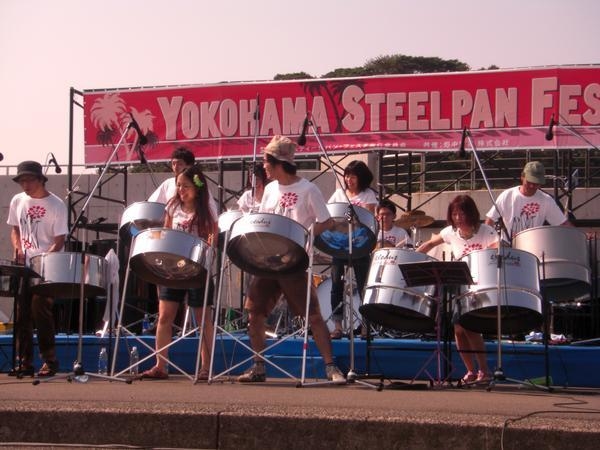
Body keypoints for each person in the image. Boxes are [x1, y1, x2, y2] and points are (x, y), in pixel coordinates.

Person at [237, 135, 345, 384]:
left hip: (294, 261)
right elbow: (265, 220)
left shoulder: (308, 189)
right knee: (254, 313)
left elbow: (327, 221)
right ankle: (258, 366)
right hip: (268, 260)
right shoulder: (270, 189)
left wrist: (306, 234)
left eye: (266, 161)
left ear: (278, 163)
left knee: (312, 315)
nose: (264, 166)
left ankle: (331, 367)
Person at [141, 164, 218, 381]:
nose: (181, 190)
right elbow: (166, 232)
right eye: (178, 186)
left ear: (197, 188)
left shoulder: (206, 209)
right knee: (165, 316)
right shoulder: (173, 206)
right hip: (173, 268)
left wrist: (206, 254)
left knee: (202, 319)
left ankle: (206, 367)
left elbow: (213, 236)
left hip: (197, 268)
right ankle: (160, 365)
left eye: (185, 186)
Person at [417, 194, 497, 383]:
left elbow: (497, 247)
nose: (458, 217)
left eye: (462, 213)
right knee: (459, 330)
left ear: (471, 213)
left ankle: (484, 370)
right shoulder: (450, 232)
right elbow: (430, 243)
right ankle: (471, 370)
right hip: (460, 285)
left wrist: (489, 252)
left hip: (480, 285)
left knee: (471, 328)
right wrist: (412, 256)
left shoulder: (486, 231)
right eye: (454, 214)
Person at [7, 161, 68, 377]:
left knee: (40, 309)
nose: (25, 185)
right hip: (24, 265)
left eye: (29, 180)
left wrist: (44, 259)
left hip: (47, 265)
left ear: (40, 179)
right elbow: (15, 229)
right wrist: (18, 248)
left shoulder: (56, 204)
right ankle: (24, 362)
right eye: (22, 181)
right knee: (22, 313)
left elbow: (59, 240)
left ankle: (49, 360)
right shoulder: (18, 200)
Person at [327, 160, 377, 339]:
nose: (349, 179)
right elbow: (329, 214)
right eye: (347, 176)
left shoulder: (368, 195)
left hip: (360, 244)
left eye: (353, 176)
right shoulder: (339, 194)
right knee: (336, 285)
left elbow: (369, 218)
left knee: (364, 285)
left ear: (361, 178)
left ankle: (366, 325)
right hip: (340, 244)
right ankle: (337, 326)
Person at [484, 161, 572, 240]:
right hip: (508, 246)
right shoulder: (507, 195)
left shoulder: (546, 200)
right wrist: (489, 241)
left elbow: (563, 224)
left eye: (536, 183)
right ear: (522, 177)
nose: (532, 186)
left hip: (533, 246)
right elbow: (490, 220)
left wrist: (578, 236)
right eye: (529, 182)